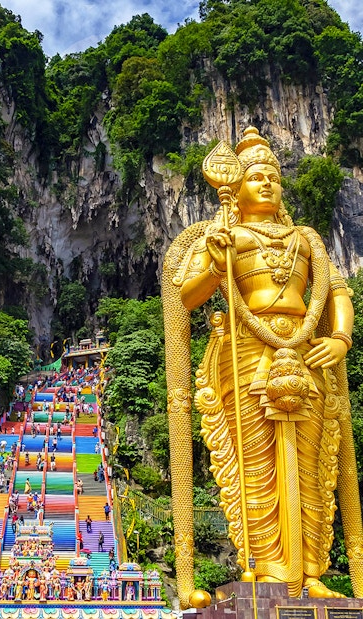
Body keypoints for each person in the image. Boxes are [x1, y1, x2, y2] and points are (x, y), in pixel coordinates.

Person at [164, 126, 362, 601]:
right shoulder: (227, 236)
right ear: (238, 187)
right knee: (258, 463)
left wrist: (340, 338)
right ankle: (270, 566)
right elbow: (183, 297)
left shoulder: (307, 237)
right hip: (247, 350)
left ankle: (312, 572)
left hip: (307, 348)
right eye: (257, 177)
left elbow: (336, 291)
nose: (268, 183)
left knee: (315, 463)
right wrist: (215, 265)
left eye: (274, 175)